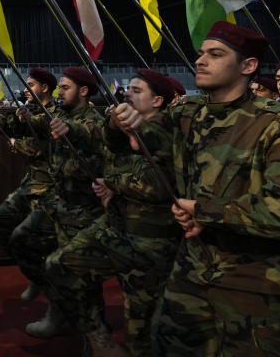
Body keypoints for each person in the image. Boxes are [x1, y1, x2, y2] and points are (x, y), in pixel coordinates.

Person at [111, 21, 280, 356]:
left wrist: (205, 212)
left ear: (248, 66)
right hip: (194, 268)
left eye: (215, 54)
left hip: (259, 281)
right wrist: (118, 122)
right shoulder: (188, 114)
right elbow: (138, 141)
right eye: (201, 53)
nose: (200, 61)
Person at [46, 69, 179, 356]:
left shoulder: (169, 130)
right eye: (128, 88)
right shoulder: (122, 129)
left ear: (157, 101)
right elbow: (107, 153)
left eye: (136, 90)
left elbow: (157, 185)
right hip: (116, 228)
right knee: (60, 265)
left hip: (152, 243)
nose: (127, 93)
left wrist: (114, 184)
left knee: (141, 334)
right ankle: (98, 339)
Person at [10, 67, 105, 339]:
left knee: (82, 272)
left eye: (66, 87)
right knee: (21, 238)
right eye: (60, 87)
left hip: (82, 206)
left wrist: (69, 129)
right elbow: (45, 121)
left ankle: (96, 329)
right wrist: (28, 116)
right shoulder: (60, 113)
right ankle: (56, 304)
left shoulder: (93, 120)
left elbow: (87, 132)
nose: (60, 91)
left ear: (84, 91)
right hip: (57, 199)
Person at [0, 67, 57, 303]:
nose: (26, 90)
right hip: (32, 182)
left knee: (37, 238)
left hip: (52, 185)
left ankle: (52, 288)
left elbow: (50, 146)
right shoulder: (29, 110)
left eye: (31, 85)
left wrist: (21, 144)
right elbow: (12, 124)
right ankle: (37, 274)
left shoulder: (56, 112)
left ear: (45, 88)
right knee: (0, 223)